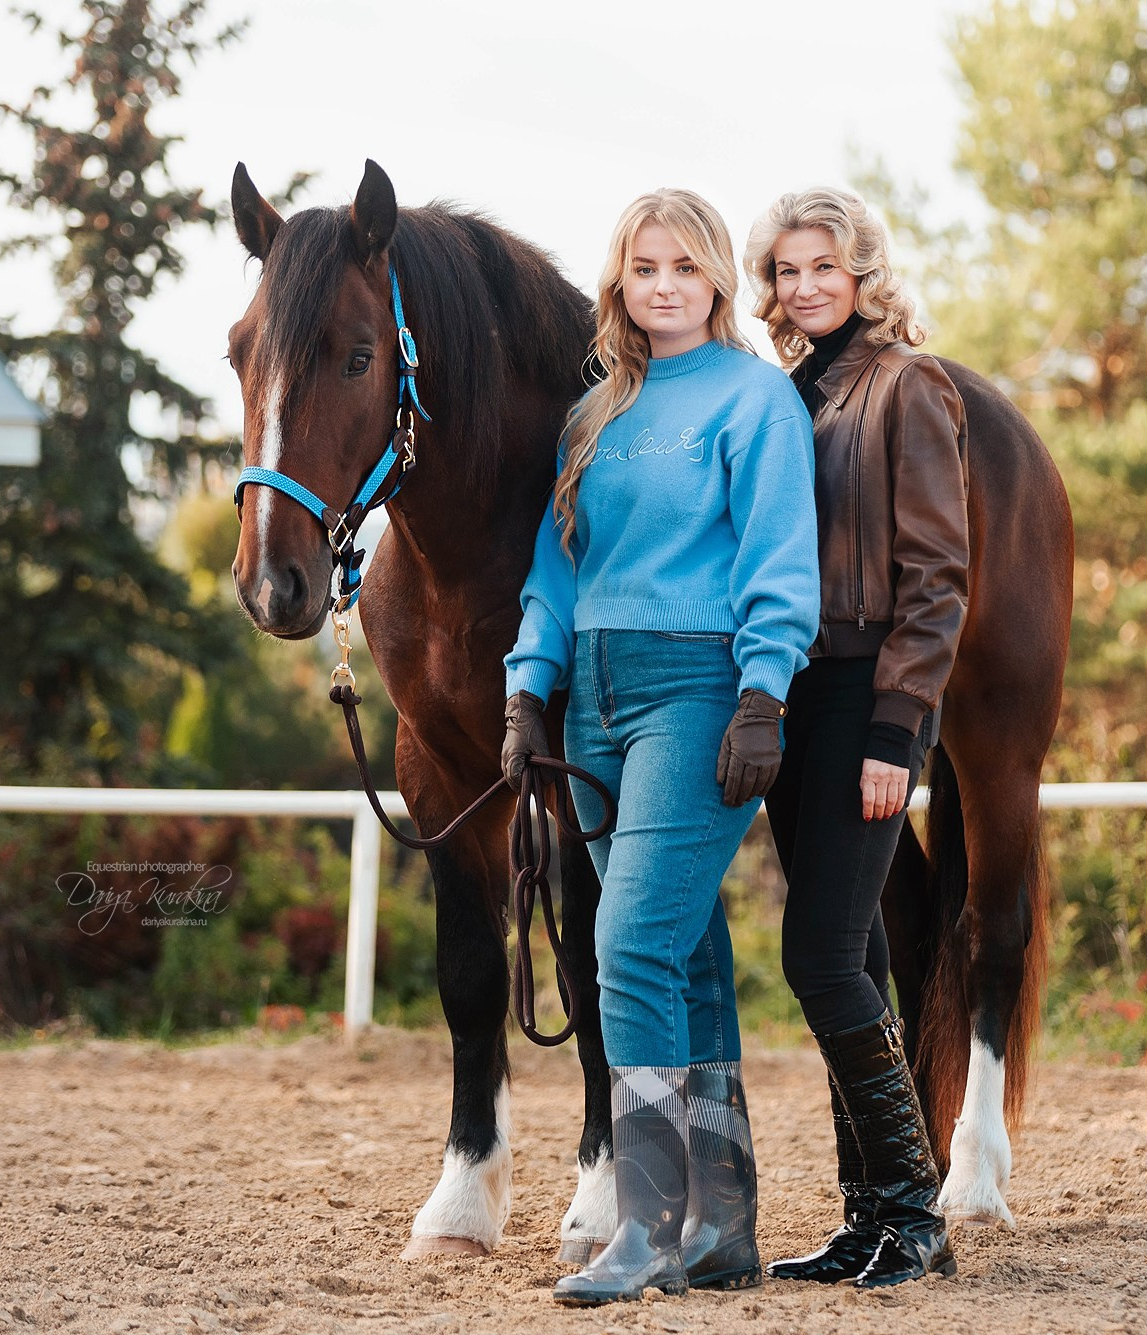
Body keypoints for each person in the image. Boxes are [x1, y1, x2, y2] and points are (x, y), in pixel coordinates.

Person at [499, 188, 820, 1306]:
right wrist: (525, 695)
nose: (664, 285)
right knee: (679, 954)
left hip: (696, 689)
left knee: (627, 941)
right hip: (589, 694)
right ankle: (721, 1229)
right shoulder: (594, 415)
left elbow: (780, 560)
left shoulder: (755, 402)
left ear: (718, 279)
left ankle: (640, 1229)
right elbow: (556, 567)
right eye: (644, 268)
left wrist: (760, 697)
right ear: (620, 284)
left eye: (685, 266)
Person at [743, 187, 970, 1288]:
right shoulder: (792, 389)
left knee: (820, 957)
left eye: (821, 267)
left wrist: (899, 730)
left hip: (867, 699)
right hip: (796, 695)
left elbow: (936, 578)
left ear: (861, 271)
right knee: (864, 956)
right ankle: (865, 1218)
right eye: (785, 271)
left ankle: (917, 1219)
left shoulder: (905, 385)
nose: (802, 287)